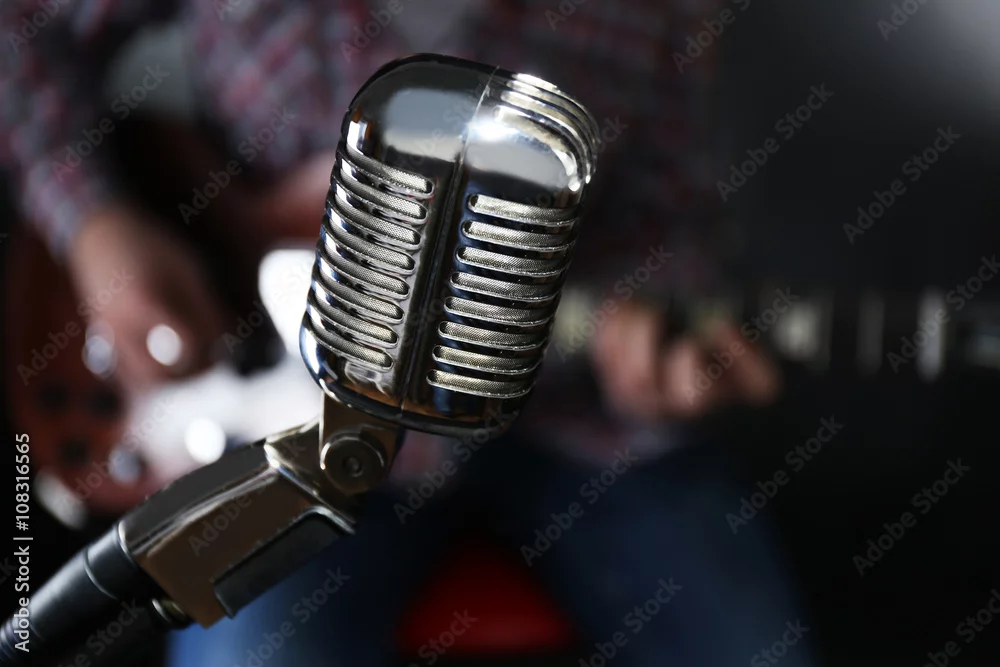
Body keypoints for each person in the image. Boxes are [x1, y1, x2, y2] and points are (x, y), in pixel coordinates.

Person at [0, 1, 814, 665]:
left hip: (569, 418)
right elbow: (22, 29)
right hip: (296, 432)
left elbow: (669, 222)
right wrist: (94, 221)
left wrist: (653, 337)